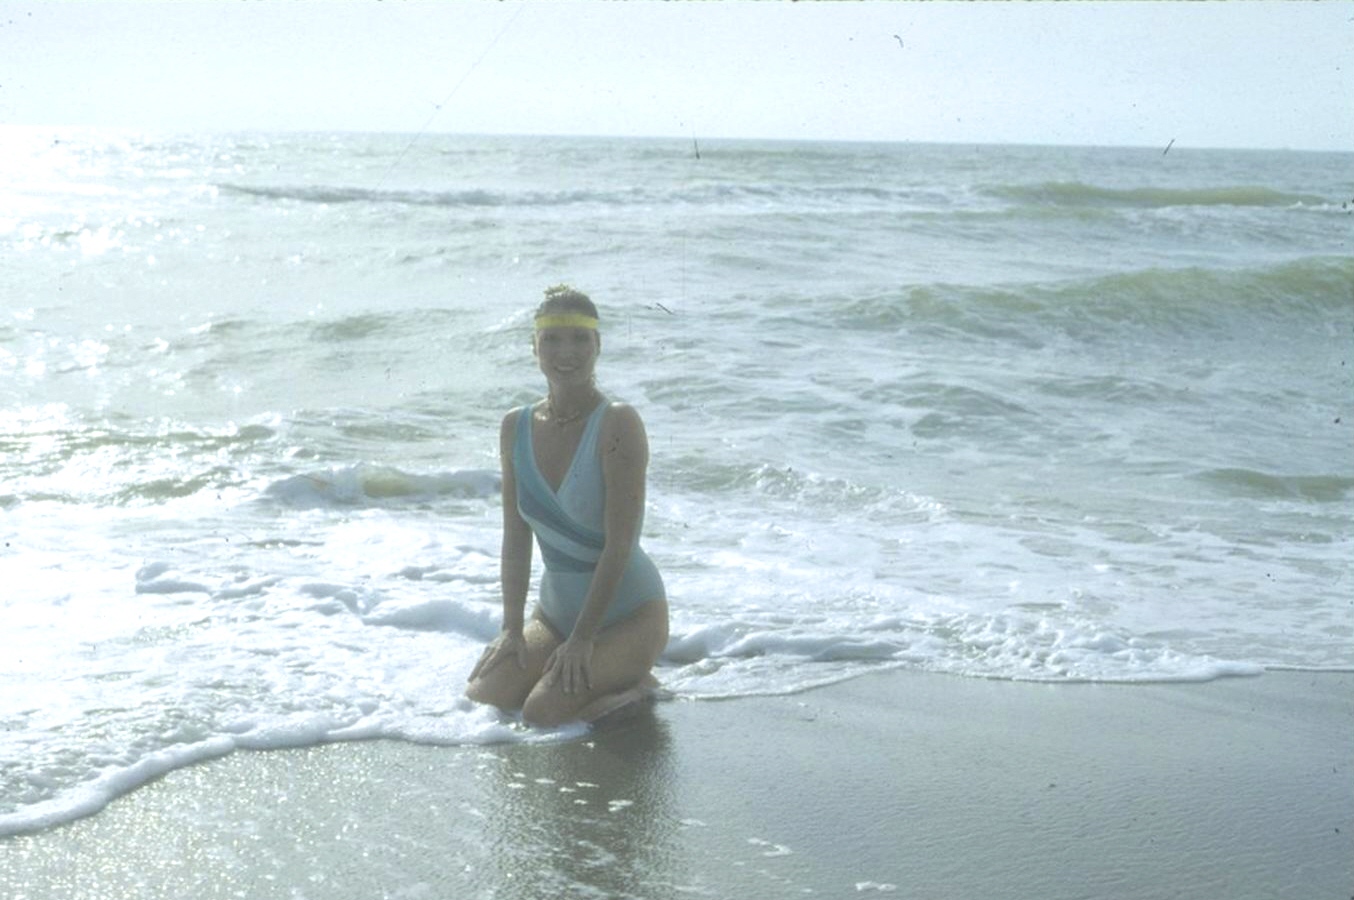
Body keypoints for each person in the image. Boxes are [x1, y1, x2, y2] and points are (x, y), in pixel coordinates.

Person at [466, 285, 669, 727]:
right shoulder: (515, 426)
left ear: (598, 346)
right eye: (552, 338)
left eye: (580, 338)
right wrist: (513, 628)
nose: (566, 351)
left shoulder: (618, 422)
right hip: (556, 615)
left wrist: (583, 640)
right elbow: (515, 537)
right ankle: (603, 675)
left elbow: (619, 545)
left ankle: (637, 683)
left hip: (630, 614)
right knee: (487, 696)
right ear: (534, 347)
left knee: (542, 713)